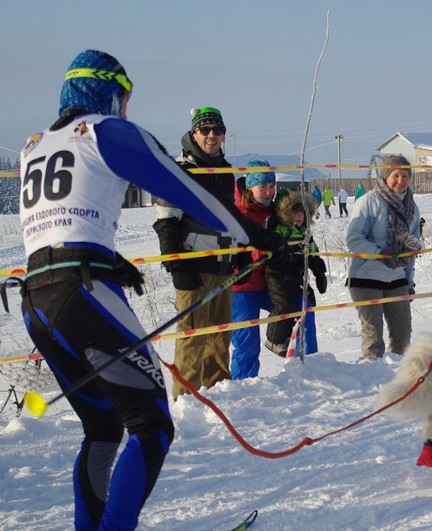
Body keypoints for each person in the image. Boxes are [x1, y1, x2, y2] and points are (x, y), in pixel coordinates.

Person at [18, 50, 283, 531]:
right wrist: (254, 235)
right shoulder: (105, 130)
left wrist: (109, 257)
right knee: (152, 425)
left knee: (103, 427)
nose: (126, 108)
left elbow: (60, 221)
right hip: (83, 291)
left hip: (36, 298)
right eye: (125, 97)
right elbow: (187, 190)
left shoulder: (34, 145)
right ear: (110, 92)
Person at [153, 106, 241, 399]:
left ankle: (218, 395)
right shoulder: (180, 170)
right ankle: (184, 401)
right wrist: (176, 265)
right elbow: (166, 221)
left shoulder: (225, 171)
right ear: (194, 133)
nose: (212, 136)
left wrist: (238, 252)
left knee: (219, 338)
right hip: (194, 268)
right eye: (206, 130)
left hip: (222, 267)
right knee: (192, 338)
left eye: (218, 131)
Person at [346, 155, 421, 359]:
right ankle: (372, 383)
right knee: (373, 339)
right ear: (385, 176)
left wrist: (409, 281)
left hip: (396, 279)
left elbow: (410, 251)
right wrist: (380, 254)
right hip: (366, 277)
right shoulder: (369, 201)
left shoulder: (412, 208)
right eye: (395, 175)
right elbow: (353, 239)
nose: (400, 180)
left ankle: (400, 380)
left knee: (403, 337)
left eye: (405, 175)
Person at [264, 190, 327, 357]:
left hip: (297, 276)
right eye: (295, 212)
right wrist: (293, 247)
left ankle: (308, 354)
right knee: (285, 304)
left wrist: (320, 271)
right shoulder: (281, 229)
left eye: (303, 213)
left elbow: (312, 252)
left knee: (307, 305)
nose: (299, 217)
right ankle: (274, 339)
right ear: (285, 213)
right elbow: (275, 246)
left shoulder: (305, 232)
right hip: (278, 275)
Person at [230, 160, 276, 379]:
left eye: (271, 186)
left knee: (301, 308)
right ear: (250, 187)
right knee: (247, 344)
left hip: (271, 283)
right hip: (243, 287)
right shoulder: (238, 213)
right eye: (263, 187)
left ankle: (308, 368)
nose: (268, 192)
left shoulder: (277, 212)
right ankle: (243, 386)